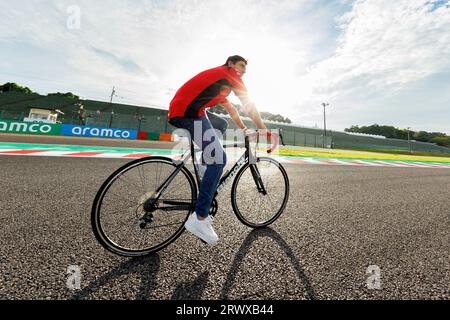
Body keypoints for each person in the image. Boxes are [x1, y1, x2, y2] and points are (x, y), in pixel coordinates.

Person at [168, 55, 268, 246]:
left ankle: (206, 162)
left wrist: (244, 129)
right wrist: (263, 128)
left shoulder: (221, 85)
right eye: (240, 66)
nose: (243, 71)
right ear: (230, 64)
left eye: (245, 70)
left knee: (221, 123)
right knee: (219, 160)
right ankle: (200, 218)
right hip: (186, 113)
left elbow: (233, 111)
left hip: (192, 110)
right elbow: (249, 105)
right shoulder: (228, 74)